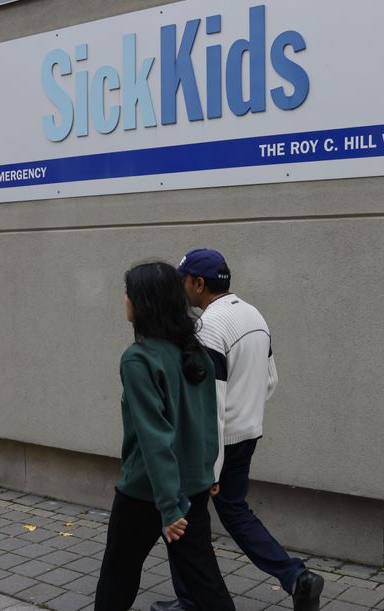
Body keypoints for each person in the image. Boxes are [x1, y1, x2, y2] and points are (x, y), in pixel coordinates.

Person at [152, 249, 324, 611]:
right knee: (234, 511)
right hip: (248, 432)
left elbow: (209, 404)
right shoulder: (253, 314)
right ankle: (296, 577)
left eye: (184, 280)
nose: (181, 287)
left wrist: (212, 465)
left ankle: (192, 602)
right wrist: (247, 413)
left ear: (198, 284)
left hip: (217, 443)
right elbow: (271, 379)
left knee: (183, 520)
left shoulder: (209, 327)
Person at [95, 261, 235, 611]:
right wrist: (209, 472)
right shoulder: (195, 352)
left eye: (128, 294)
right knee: (204, 579)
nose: (124, 300)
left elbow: (154, 437)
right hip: (193, 485)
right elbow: (209, 419)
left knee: (118, 574)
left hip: (147, 491)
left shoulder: (138, 360)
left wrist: (170, 509)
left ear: (144, 303)